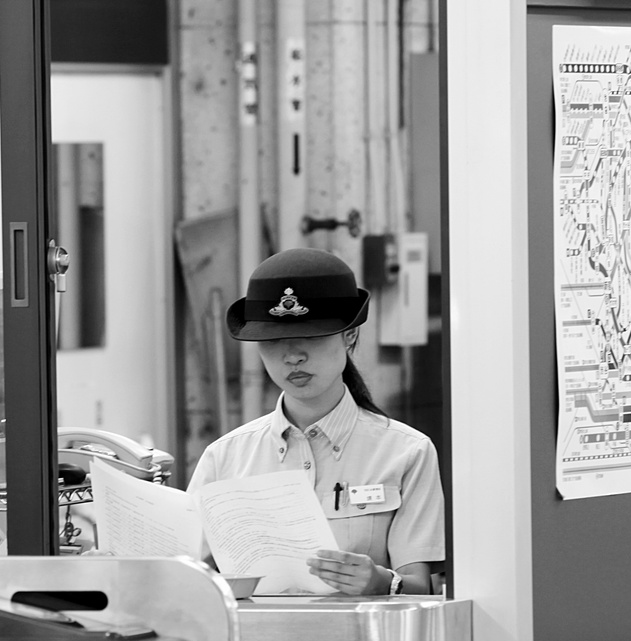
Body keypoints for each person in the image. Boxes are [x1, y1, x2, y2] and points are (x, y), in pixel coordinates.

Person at [188, 248, 445, 595]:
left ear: (349, 335)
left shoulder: (406, 452)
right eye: (274, 340)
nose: (293, 355)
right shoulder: (225, 458)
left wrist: (380, 581)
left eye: (311, 336)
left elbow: (425, 590)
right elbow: (188, 575)